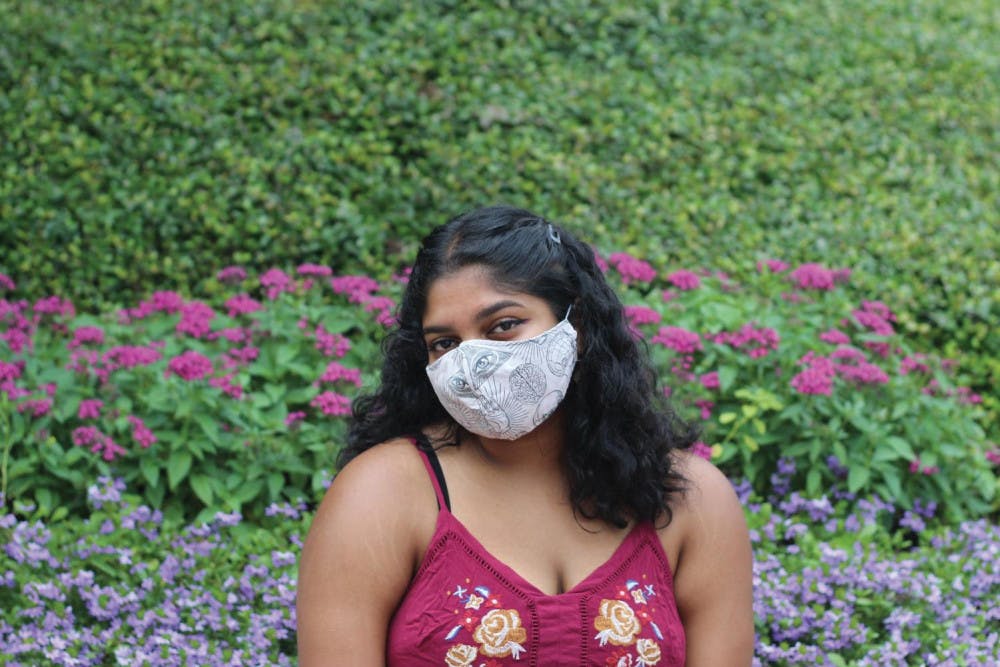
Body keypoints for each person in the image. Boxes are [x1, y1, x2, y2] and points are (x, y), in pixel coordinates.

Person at [297, 205, 754, 666]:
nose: (472, 360)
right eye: (445, 343)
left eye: (502, 326)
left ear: (575, 328)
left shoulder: (691, 500)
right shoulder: (382, 495)